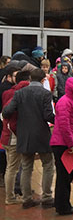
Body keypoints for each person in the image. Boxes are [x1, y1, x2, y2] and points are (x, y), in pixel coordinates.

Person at [2, 69, 55, 209]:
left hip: (24, 133)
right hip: (42, 133)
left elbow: (7, 111)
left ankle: (27, 198)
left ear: (30, 79)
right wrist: (57, 121)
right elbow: (48, 115)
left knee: (26, 166)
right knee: (48, 164)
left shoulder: (20, 93)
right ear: (43, 80)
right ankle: (47, 197)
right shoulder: (45, 93)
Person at [50, 77, 73, 215]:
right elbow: (65, 126)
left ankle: (64, 203)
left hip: (69, 144)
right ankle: (63, 206)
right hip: (63, 145)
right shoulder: (65, 102)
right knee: (64, 176)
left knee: (67, 176)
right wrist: (71, 144)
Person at [1, 68, 26, 205]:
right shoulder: (17, 96)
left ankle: (11, 194)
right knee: (12, 168)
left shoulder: (7, 93)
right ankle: (10, 197)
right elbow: (11, 118)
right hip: (12, 137)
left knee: (11, 167)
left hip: (6, 135)